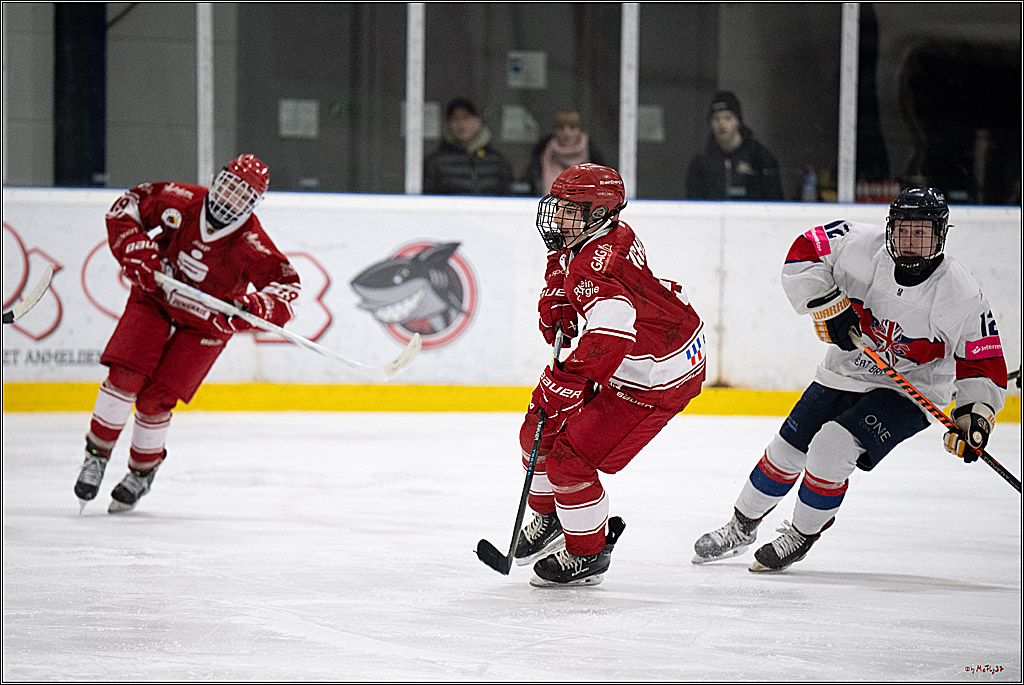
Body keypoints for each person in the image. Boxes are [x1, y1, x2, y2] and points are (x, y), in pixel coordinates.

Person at [692, 187, 1007, 572]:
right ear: (890, 229)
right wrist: (826, 304)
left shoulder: (959, 293)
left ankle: (802, 533)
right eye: (904, 231)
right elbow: (804, 251)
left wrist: (975, 415)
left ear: (940, 235)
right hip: (847, 368)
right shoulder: (860, 246)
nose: (910, 243)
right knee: (787, 450)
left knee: (831, 447)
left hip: (912, 389)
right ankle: (740, 527)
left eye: (922, 233)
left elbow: (982, 360)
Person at [73, 154, 301, 514]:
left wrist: (254, 307)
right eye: (228, 187)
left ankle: (142, 472)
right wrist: (133, 243)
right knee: (125, 376)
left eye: (242, 196)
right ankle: (96, 457)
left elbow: (286, 287)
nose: (228, 199)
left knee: (155, 399)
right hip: (155, 298)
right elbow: (125, 208)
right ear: (216, 179)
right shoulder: (178, 199)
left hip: (207, 324)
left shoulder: (253, 243)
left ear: (255, 204)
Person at [514, 163, 708, 586]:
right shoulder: (601, 234)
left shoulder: (599, 267)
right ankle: (551, 520)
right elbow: (568, 264)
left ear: (597, 214)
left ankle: (588, 553)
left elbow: (612, 330)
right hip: (636, 355)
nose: (556, 218)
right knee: (537, 433)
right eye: (559, 206)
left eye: (569, 210)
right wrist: (559, 295)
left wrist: (566, 381)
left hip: (657, 376)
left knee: (569, 461)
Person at [685, 90, 783, 201]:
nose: (722, 124)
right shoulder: (702, 162)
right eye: (716, 118)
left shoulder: (759, 158)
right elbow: (694, 202)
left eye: (728, 118)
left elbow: (775, 200)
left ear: (738, 121)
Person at [423, 97, 513, 196]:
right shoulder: (436, 162)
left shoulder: (497, 161)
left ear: (477, 122)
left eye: (466, 118)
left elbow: (509, 195)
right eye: (455, 119)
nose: (461, 124)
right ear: (449, 125)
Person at [525, 109, 606, 196]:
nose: (566, 132)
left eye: (572, 127)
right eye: (561, 128)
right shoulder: (543, 154)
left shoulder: (592, 156)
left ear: (579, 130)